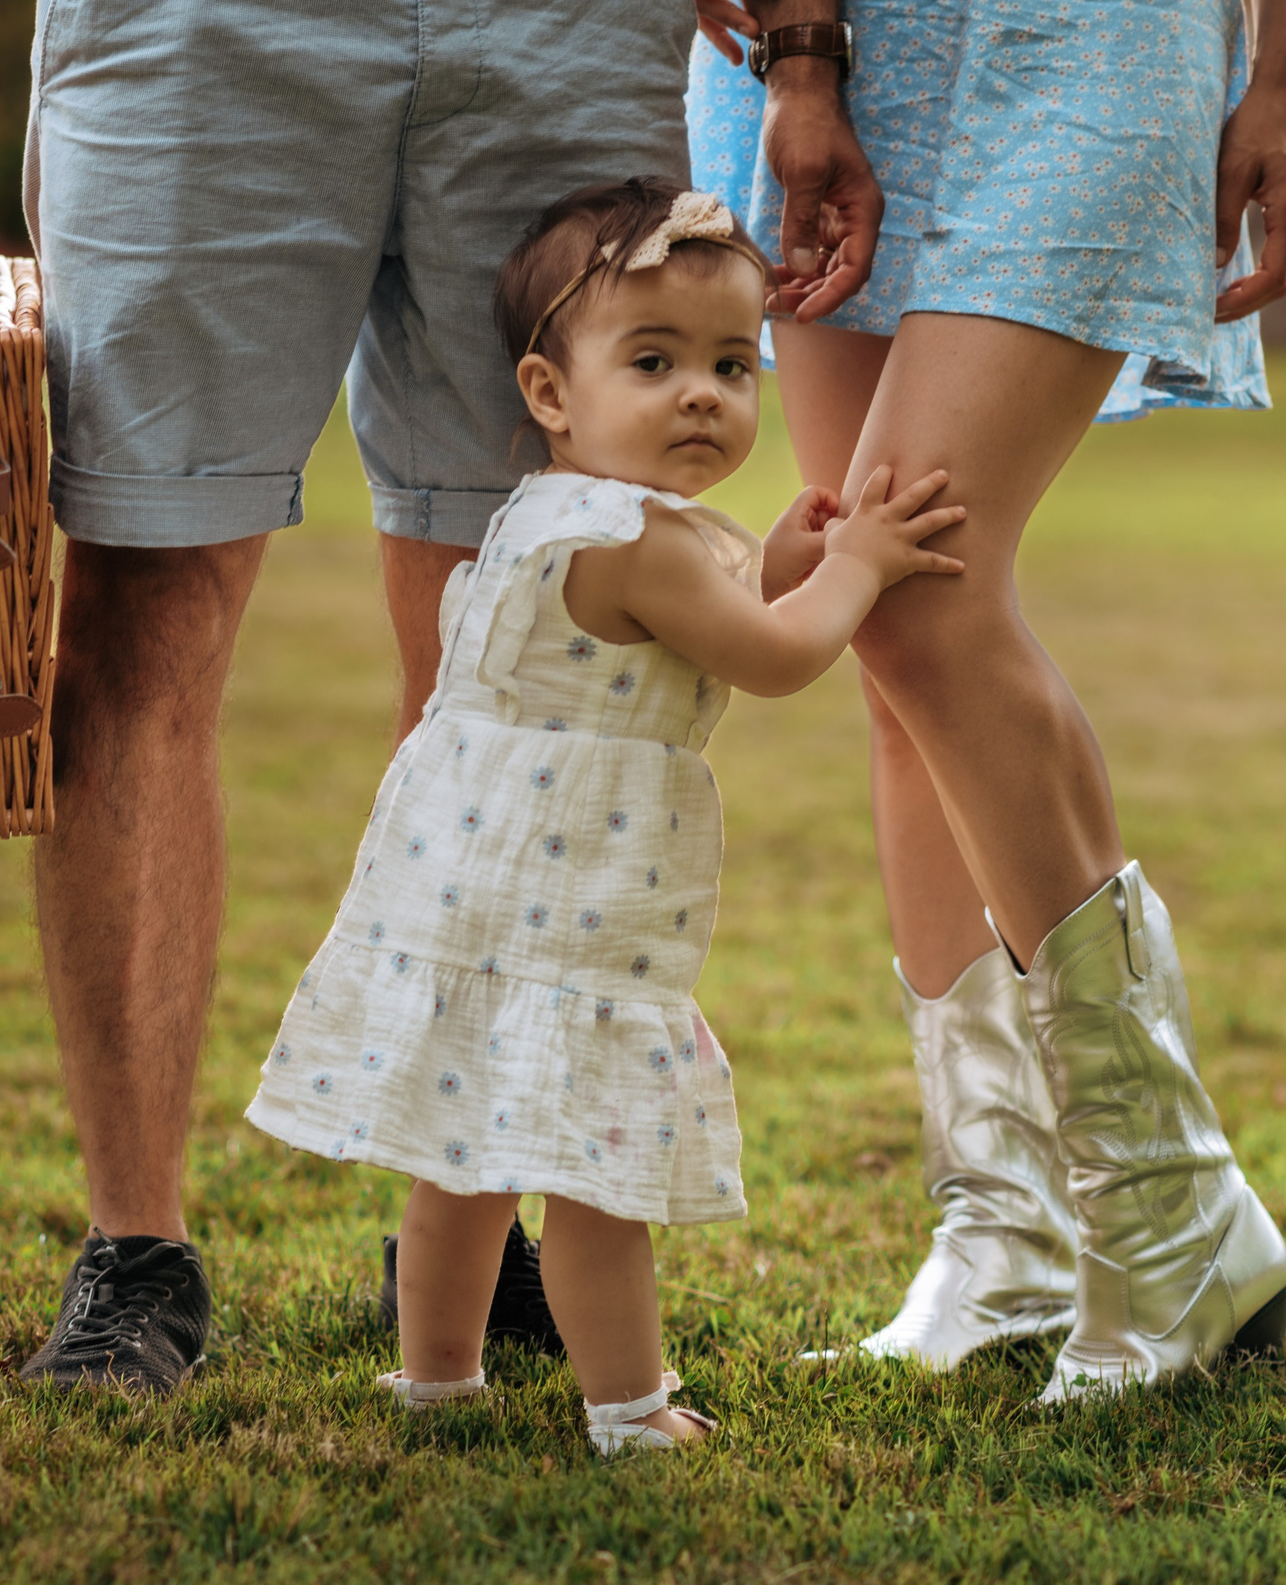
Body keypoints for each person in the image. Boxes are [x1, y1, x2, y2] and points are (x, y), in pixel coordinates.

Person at [0, 0, 875, 1391]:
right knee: (142, 611)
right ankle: (135, 1253)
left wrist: (805, 49)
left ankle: (470, 1206)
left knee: (528, 632)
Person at [681, 0, 1286, 1397]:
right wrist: (804, 60)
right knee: (888, 631)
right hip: (824, 7)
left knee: (915, 585)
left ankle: (1174, 1213)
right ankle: (1010, 1227)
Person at [245, 179, 967, 1451]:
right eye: (654, 360)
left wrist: (788, 560)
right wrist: (853, 569)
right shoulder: (637, 540)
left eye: (733, 365)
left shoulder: (554, 510)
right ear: (550, 392)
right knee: (597, 1167)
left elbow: (713, 610)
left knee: (462, 1157)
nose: (703, 393)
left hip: (472, 878)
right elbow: (775, 655)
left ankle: (437, 1381)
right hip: (572, 902)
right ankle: (628, 1413)